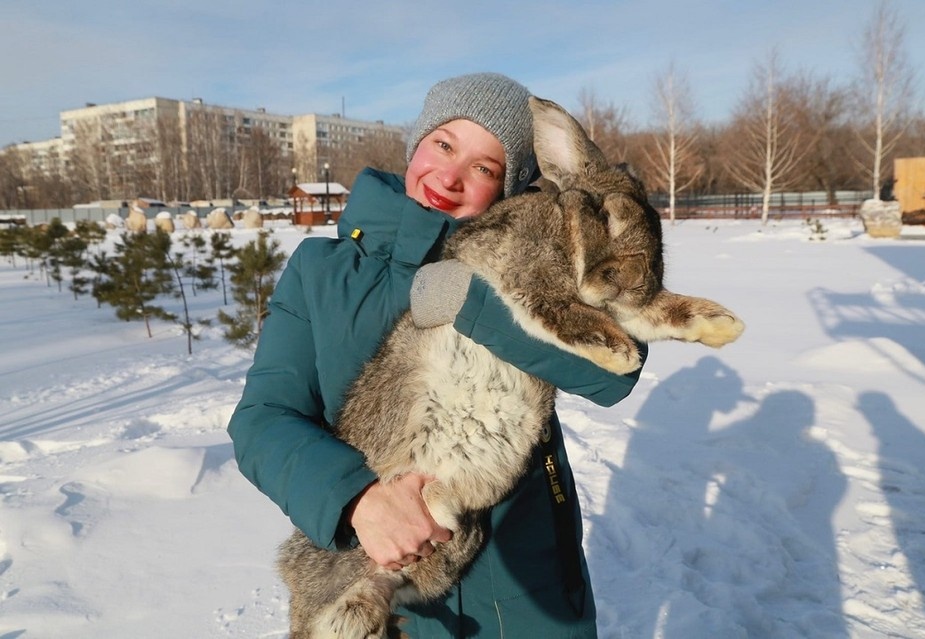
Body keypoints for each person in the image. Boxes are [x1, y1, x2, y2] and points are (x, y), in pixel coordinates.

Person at [227, 72, 645, 637]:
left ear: (508, 187)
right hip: (368, 572)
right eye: (444, 144)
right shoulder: (320, 271)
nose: (449, 176)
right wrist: (359, 501)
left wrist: (470, 303)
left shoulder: (535, 265)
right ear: (417, 144)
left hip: (522, 580)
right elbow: (263, 419)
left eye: (484, 167)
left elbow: (614, 375)